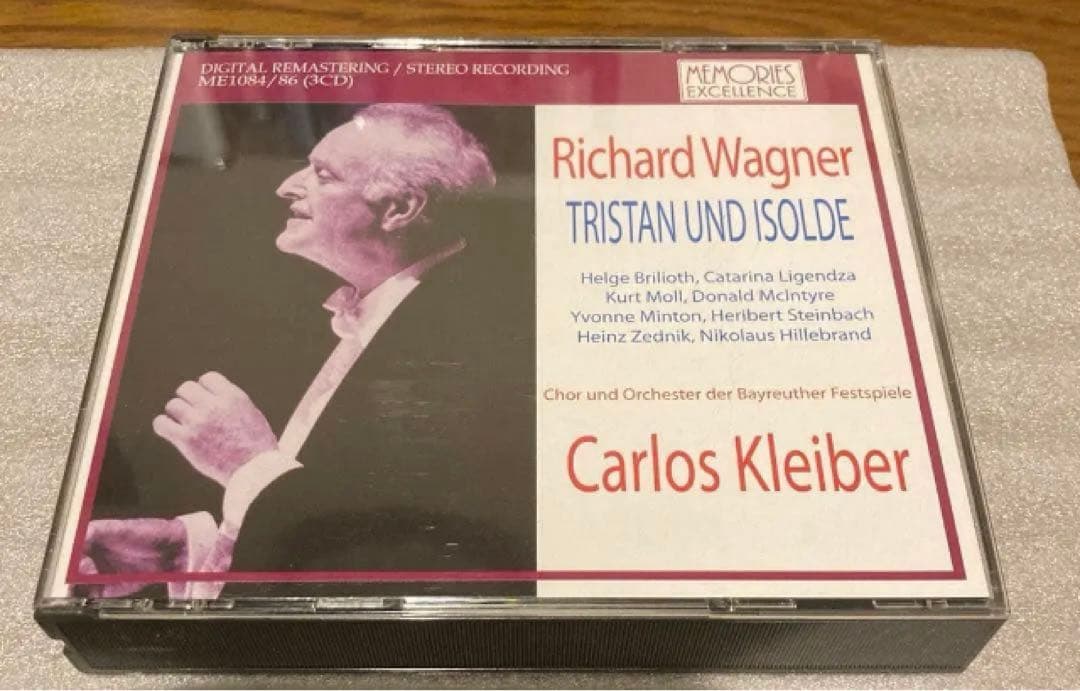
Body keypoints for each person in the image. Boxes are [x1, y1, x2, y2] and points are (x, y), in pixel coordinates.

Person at [77, 104, 535, 598]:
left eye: (323, 174)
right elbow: (356, 521)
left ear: (400, 209)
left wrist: (247, 465)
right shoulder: (384, 318)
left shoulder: (469, 342)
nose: (285, 186)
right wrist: (192, 553)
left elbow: (410, 571)